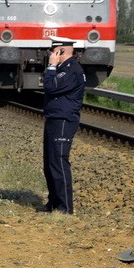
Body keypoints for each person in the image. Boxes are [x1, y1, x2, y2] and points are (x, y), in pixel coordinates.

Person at [42, 36, 85, 214]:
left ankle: (65, 207)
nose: (51, 54)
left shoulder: (71, 71)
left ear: (61, 51)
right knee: (50, 163)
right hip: (54, 117)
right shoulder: (63, 69)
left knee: (59, 161)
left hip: (63, 120)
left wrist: (51, 67)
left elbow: (50, 86)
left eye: (54, 51)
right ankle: (53, 202)